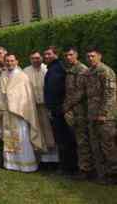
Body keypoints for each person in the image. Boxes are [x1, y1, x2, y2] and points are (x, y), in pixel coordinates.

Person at [0, 54, 45, 172]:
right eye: (7, 61)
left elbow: (26, 96)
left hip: (20, 113)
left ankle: (26, 164)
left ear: (17, 61)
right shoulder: (3, 75)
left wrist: (12, 101)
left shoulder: (22, 76)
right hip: (6, 112)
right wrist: (1, 106)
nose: (9, 63)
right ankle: (11, 164)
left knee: (22, 137)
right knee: (9, 137)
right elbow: (0, 93)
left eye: (12, 60)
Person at [84, 47, 117, 184]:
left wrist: (103, 113)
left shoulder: (106, 71)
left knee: (108, 146)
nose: (90, 58)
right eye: (88, 56)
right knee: (95, 146)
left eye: (93, 56)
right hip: (92, 115)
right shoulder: (89, 72)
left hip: (106, 117)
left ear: (99, 56)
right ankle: (102, 175)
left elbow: (110, 94)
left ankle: (113, 175)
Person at [23, 51, 58, 164]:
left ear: (41, 58)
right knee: (36, 131)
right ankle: (40, 159)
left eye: (37, 58)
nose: (35, 60)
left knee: (49, 131)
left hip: (46, 105)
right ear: (30, 59)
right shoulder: (25, 71)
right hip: (32, 106)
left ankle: (53, 160)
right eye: (33, 58)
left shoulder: (47, 69)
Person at [62, 47, 91, 178]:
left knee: (83, 141)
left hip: (81, 112)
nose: (68, 57)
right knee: (77, 140)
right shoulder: (69, 70)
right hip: (73, 112)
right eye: (66, 55)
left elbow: (80, 93)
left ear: (76, 55)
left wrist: (66, 106)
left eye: (71, 55)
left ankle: (86, 170)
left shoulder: (82, 70)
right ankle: (82, 167)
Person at [43, 46, 71, 174]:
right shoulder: (52, 68)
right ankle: (65, 166)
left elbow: (57, 90)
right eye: (45, 55)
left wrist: (56, 109)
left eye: (49, 54)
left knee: (63, 139)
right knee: (60, 139)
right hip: (56, 109)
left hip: (59, 110)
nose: (46, 56)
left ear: (56, 54)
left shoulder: (58, 68)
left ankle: (66, 167)